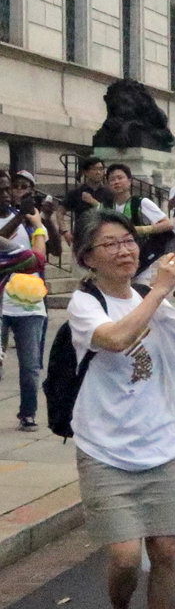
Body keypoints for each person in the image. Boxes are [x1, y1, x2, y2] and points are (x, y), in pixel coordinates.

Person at [68, 210, 175, 609]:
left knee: (165, 552)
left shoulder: (149, 297)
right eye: (110, 244)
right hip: (105, 449)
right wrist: (160, 292)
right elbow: (116, 339)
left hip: (160, 445)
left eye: (128, 241)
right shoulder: (86, 304)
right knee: (124, 557)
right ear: (86, 257)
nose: (125, 251)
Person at [0, 173, 49, 430]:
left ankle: (28, 413)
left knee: (30, 367)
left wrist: (42, 220)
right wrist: (21, 217)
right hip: (2, 303)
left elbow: (48, 255)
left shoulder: (31, 220)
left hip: (28, 305)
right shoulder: (21, 218)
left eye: (11, 189)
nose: (8, 194)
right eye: (4, 189)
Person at [105, 164, 174, 283]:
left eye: (120, 178)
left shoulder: (141, 202)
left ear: (129, 181)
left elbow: (167, 224)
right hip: (116, 259)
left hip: (140, 258)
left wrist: (142, 230)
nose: (116, 182)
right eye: (112, 179)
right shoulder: (105, 206)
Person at [58, 157, 114, 245]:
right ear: (85, 172)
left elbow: (111, 214)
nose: (98, 172)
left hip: (104, 236)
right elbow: (60, 212)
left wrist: (93, 201)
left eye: (101, 169)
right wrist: (65, 231)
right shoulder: (76, 192)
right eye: (94, 169)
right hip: (82, 237)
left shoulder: (109, 193)